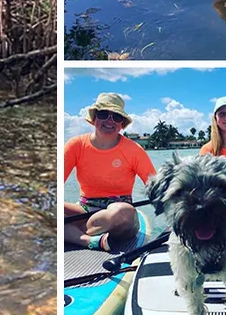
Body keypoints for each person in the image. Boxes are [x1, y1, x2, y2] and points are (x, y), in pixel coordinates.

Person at [63, 93, 157, 250]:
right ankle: (88, 240)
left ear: (122, 124)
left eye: (116, 117)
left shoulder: (134, 150)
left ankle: (73, 231)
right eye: (103, 114)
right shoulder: (75, 145)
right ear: (94, 119)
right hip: (84, 210)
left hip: (119, 214)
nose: (109, 121)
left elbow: (155, 185)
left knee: (121, 211)